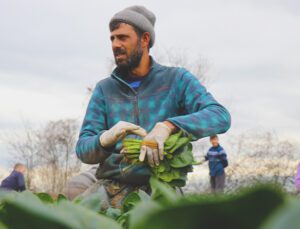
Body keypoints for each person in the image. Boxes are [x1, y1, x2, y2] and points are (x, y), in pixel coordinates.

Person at [74, 5, 231, 207]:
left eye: (123, 37)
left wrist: (168, 126)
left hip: (162, 187)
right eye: (112, 38)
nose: (115, 44)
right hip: (111, 187)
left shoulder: (176, 80)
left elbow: (220, 116)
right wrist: (104, 140)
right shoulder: (105, 89)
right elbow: (83, 150)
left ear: (145, 40)